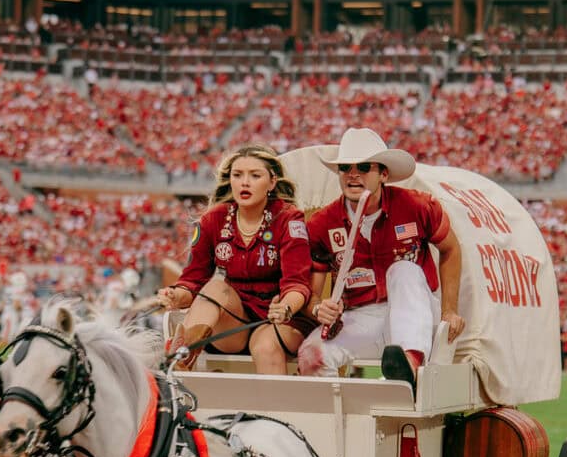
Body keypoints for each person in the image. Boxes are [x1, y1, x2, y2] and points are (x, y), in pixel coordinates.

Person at [297, 128, 465, 391]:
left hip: (416, 309)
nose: (353, 174)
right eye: (345, 168)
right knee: (311, 356)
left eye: (364, 167)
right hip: (362, 314)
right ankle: (335, 425)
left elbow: (451, 249)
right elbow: (313, 295)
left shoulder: (417, 206)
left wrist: (449, 309)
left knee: (403, 270)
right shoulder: (322, 224)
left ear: (383, 174)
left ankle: (408, 363)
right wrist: (320, 308)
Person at [156, 144, 312, 374]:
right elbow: (193, 280)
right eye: (237, 175)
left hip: (279, 320)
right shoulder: (213, 219)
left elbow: (297, 283)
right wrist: (175, 296)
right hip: (235, 323)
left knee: (266, 345)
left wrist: (286, 307)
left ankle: (273, 409)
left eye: (255, 175)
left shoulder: (289, 219)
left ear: (272, 182)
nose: (244, 182)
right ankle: (180, 360)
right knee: (216, 288)